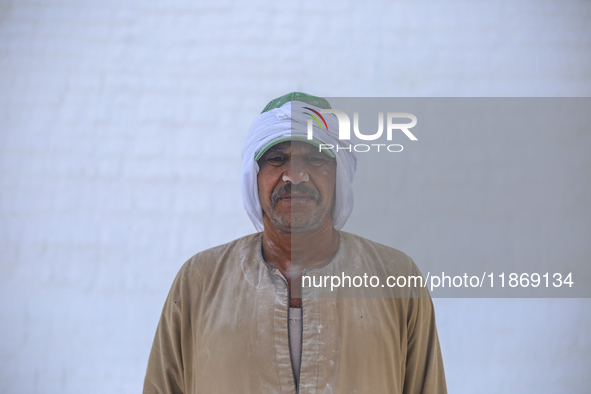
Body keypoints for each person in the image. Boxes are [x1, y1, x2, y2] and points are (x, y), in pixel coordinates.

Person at [143, 92, 447, 394]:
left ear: (339, 173)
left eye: (315, 158)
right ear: (254, 175)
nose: (295, 175)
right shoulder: (200, 281)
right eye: (277, 159)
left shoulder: (395, 279)